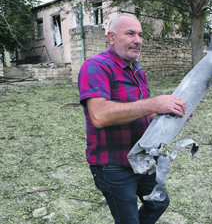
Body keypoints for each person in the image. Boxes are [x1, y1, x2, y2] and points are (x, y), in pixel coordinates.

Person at [77, 13, 187, 223]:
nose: (138, 40)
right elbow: (99, 115)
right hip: (113, 165)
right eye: (130, 33)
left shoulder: (136, 69)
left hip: (142, 157)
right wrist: (154, 103)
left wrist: (169, 112)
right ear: (111, 37)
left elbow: (142, 110)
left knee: (159, 203)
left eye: (140, 34)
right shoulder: (96, 66)